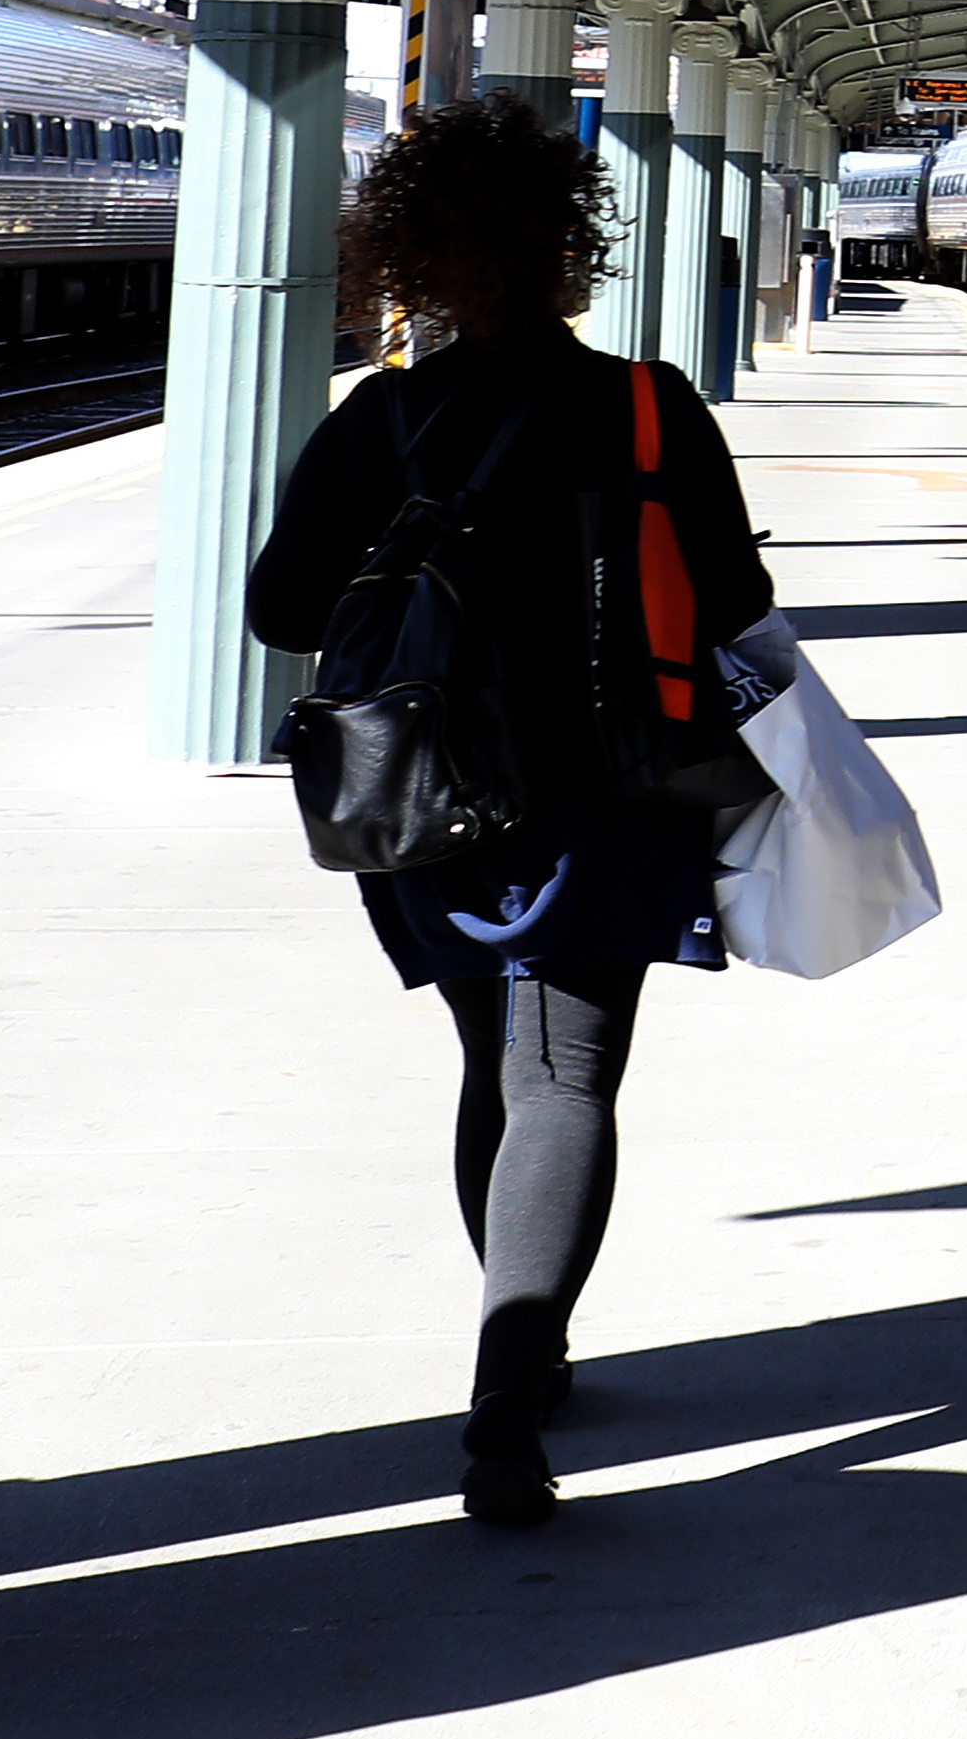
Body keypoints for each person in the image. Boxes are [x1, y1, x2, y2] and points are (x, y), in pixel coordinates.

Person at [243, 102, 773, 1525]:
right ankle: (508, 1393)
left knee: (498, 1061)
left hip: (420, 800)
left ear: (409, 253)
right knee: (568, 1079)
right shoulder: (652, 407)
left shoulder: (387, 417)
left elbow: (278, 610)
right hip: (616, 791)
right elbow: (738, 607)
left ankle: (520, 1374)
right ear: (568, 245)